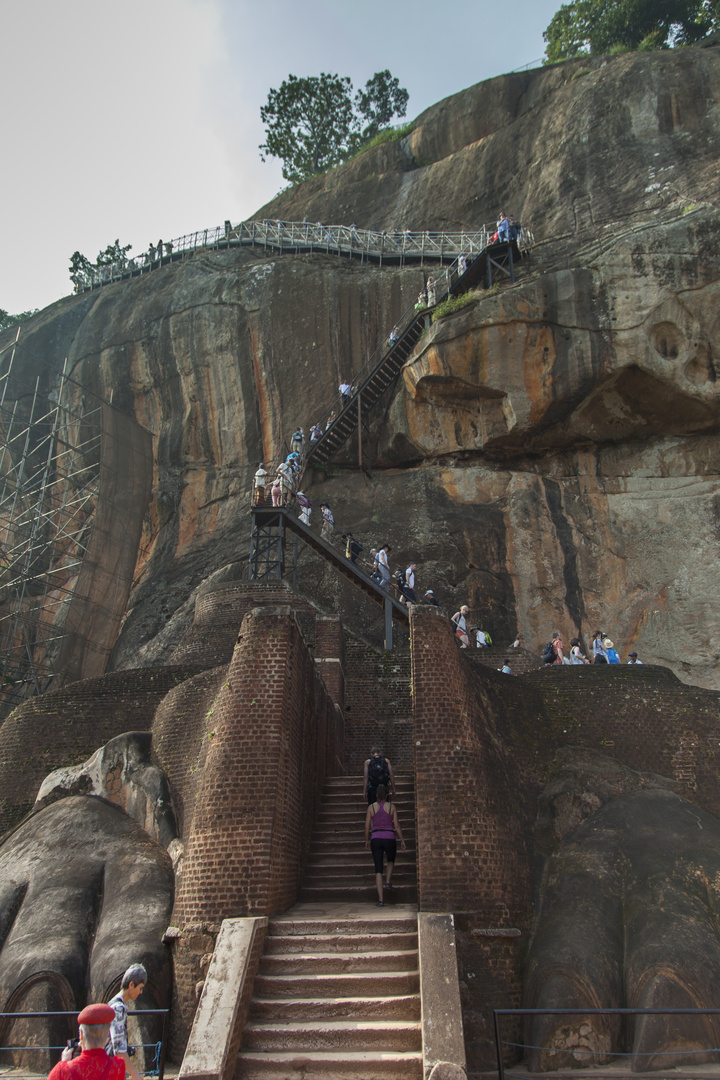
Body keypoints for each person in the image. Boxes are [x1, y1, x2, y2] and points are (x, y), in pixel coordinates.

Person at [48, 1003, 125, 1080]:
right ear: (107, 1035)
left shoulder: (62, 1070)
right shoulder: (118, 1066)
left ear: (81, 1034)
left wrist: (64, 1064)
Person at [365, 783, 406, 906]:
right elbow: (397, 825)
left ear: (377, 795)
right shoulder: (392, 807)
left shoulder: (371, 808)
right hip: (389, 837)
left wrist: (367, 839)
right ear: (387, 795)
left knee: (378, 869)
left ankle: (381, 900)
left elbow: (367, 826)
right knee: (390, 860)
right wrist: (402, 840)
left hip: (376, 838)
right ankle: (388, 881)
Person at [107, 963, 147, 1080]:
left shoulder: (114, 1004)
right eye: (140, 988)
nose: (141, 992)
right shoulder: (118, 1008)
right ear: (131, 985)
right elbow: (119, 1049)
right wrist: (135, 1074)